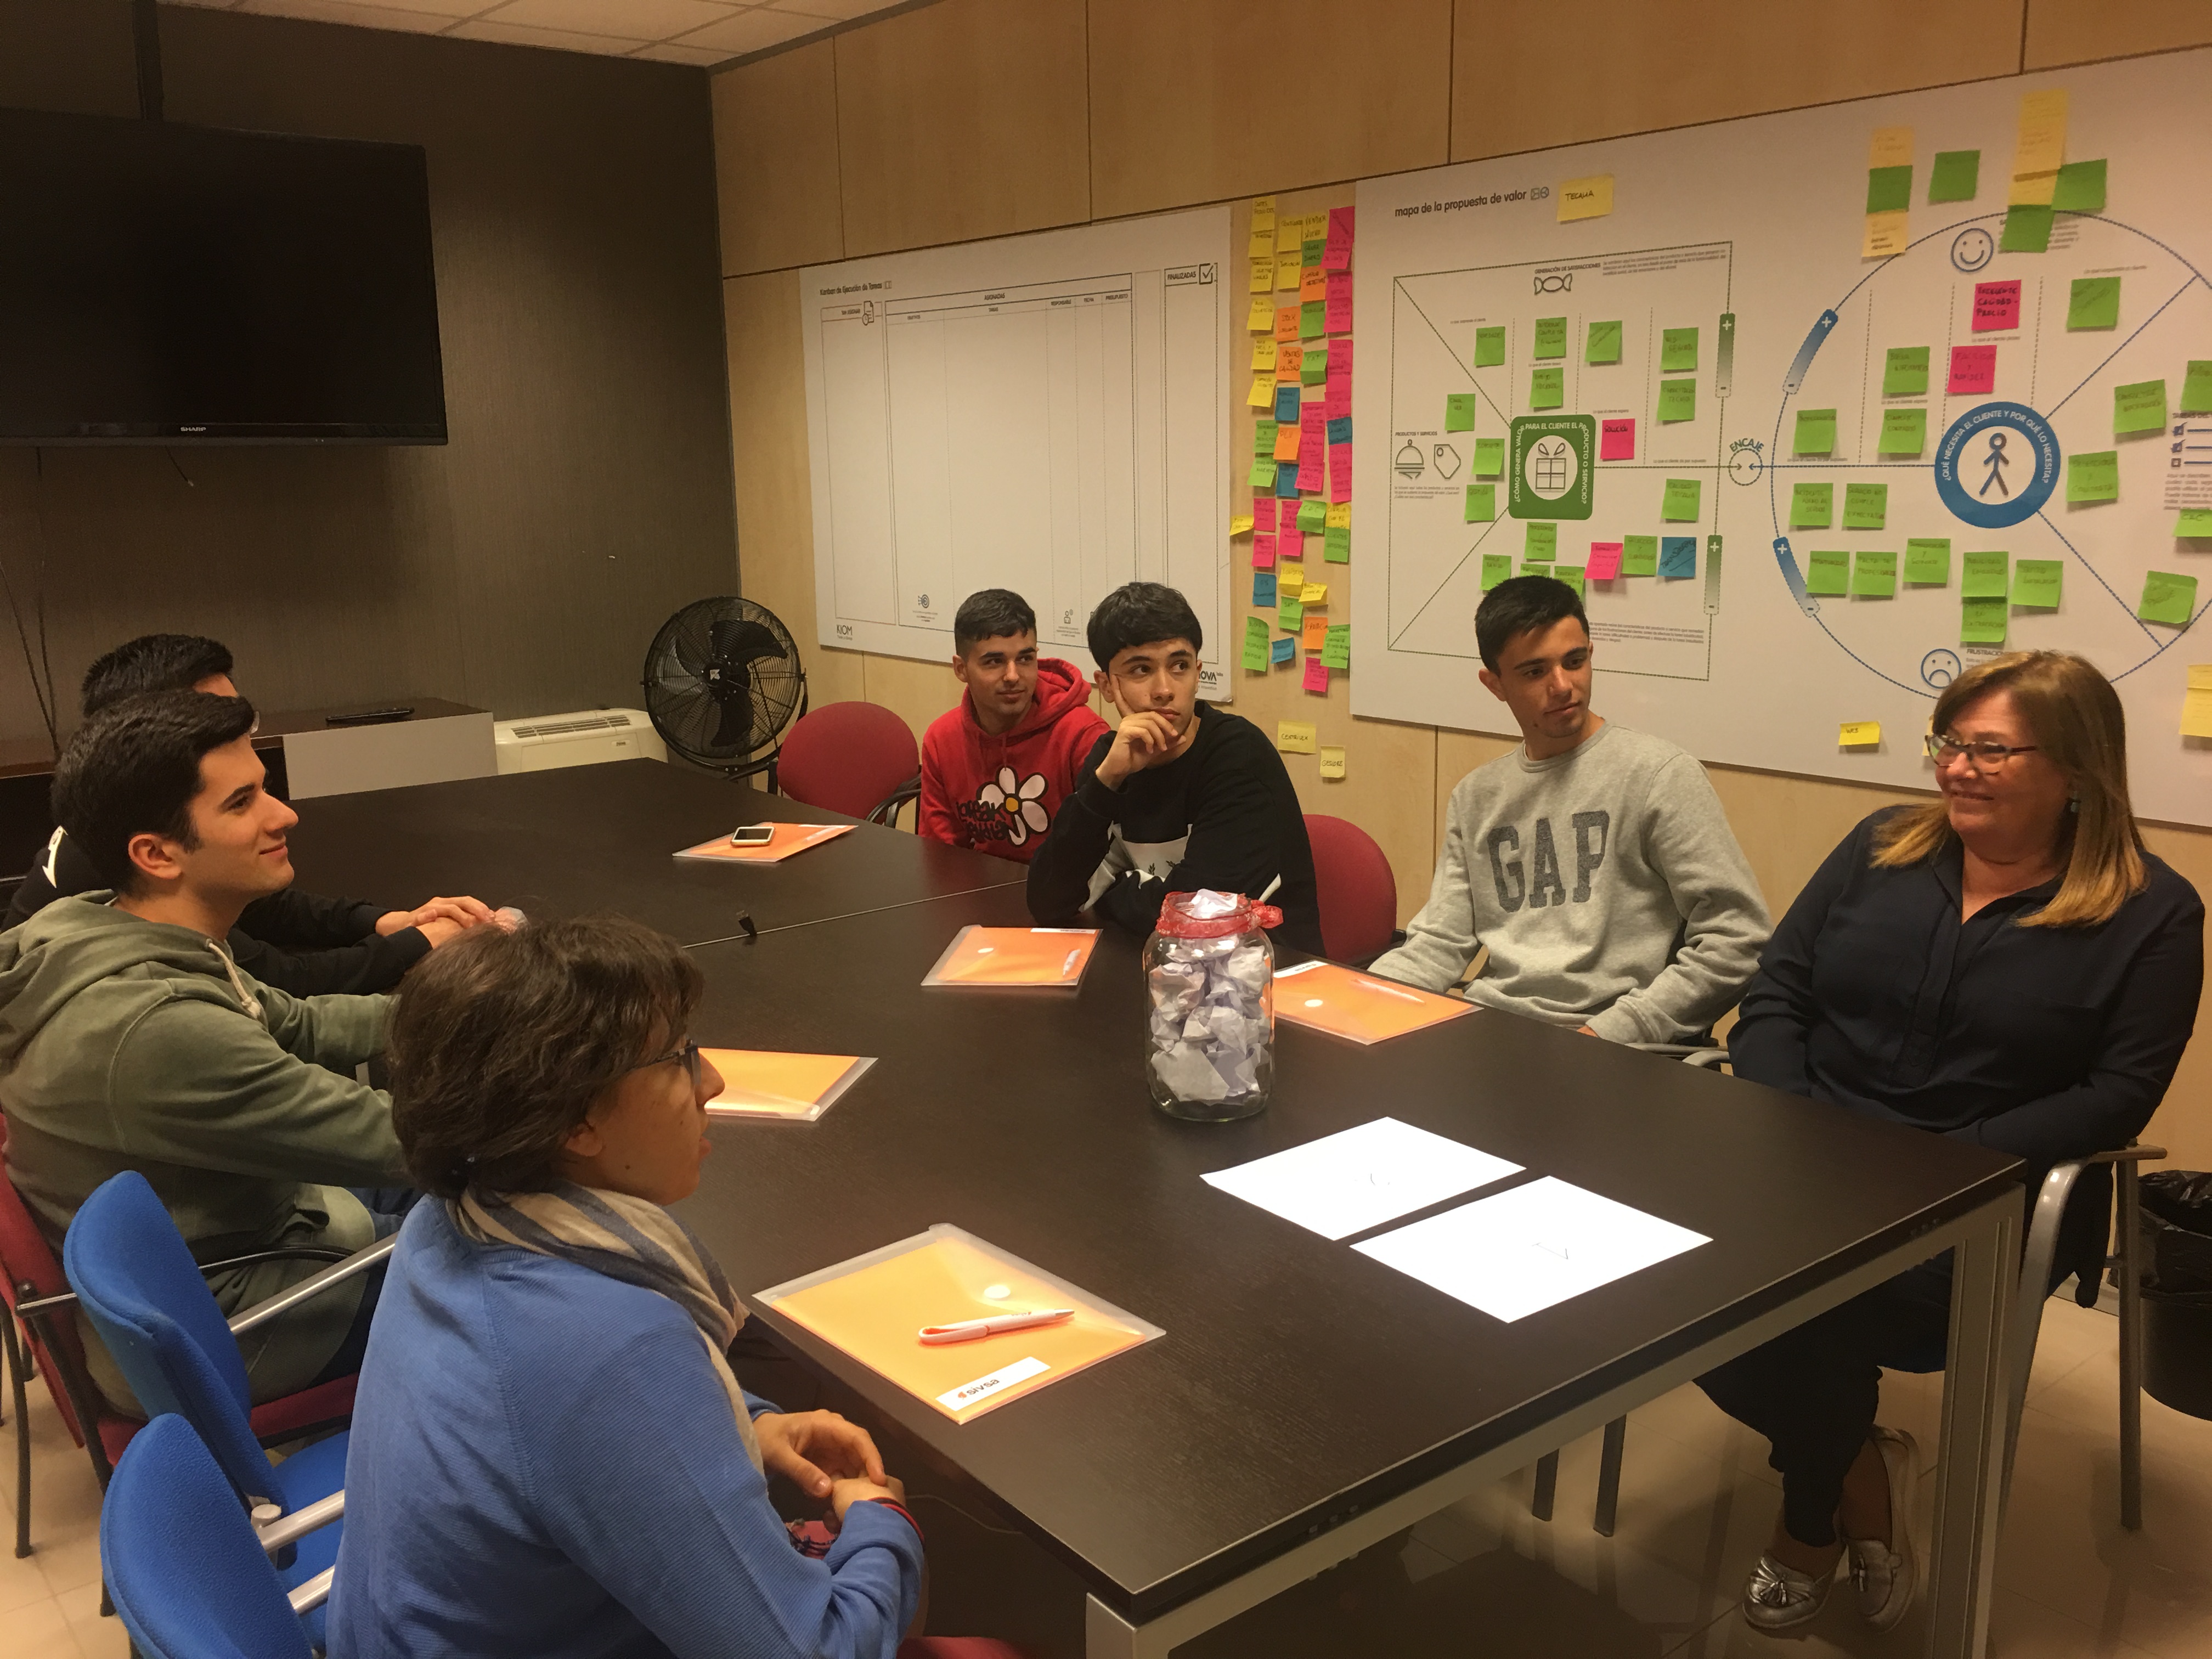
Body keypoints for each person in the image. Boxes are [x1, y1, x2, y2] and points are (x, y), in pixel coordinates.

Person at [330, 916, 1014, 1659]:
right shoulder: (608, 1347)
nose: (712, 1082)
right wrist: (885, 1523)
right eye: (678, 1059)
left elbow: (551, 1440)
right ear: (576, 1121)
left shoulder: (450, 1216)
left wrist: (741, 1424)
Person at [1708, 650, 2202, 1633]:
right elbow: (1776, 993)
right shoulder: (1878, 845)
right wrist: (1792, 1116)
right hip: (1809, 1150)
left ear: (2075, 770)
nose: (1953, 768)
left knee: (1819, 1299)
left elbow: (2117, 1091)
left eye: (1988, 748)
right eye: (1947, 742)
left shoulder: (2151, 910)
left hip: (1983, 1189)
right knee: (1669, 1270)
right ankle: (1858, 1466)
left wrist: (1947, 1162)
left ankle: (1809, 1521)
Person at [0, 691, 426, 1408]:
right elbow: (406, 1140)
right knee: (541, 1258)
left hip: (241, 1235)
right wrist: (582, 1085)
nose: (283, 815)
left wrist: (483, 1016)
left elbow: (302, 1024)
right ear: (157, 854)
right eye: (242, 803)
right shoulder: (158, 1028)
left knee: (497, 1199)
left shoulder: (102, 924)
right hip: (233, 1324)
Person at [1367, 575, 1769, 1041]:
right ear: (1495, 684)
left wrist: (1616, 1032)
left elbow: (1737, 938)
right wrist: (1360, 1001)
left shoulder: (1659, 776)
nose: (1563, 686)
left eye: (1574, 662)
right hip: (1493, 1038)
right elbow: (1440, 941)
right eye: (1535, 672)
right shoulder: (1477, 796)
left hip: (1610, 1045)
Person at [4, 631, 496, 994]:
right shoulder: (122, 867)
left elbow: (263, 908)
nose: (237, 734)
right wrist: (420, 943)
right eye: (213, 722)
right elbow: (279, 983)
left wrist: (382, 922)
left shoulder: (134, 814)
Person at [1026, 582, 1321, 953]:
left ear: (1198, 673)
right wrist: (1105, 784)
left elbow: (1198, 923)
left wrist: (1112, 892)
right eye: (1141, 670)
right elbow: (1049, 902)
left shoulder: (1238, 756)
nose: (1165, 689)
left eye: (1179, 666)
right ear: (1105, 684)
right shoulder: (1110, 759)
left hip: (1263, 984)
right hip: (1155, 970)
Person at [917, 589, 1111, 863]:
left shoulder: (1083, 735)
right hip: (980, 894)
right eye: (994, 662)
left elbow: (1108, 855)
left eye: (1024, 659)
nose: (1013, 676)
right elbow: (942, 855)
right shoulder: (942, 739)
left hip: (1068, 896)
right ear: (961, 669)